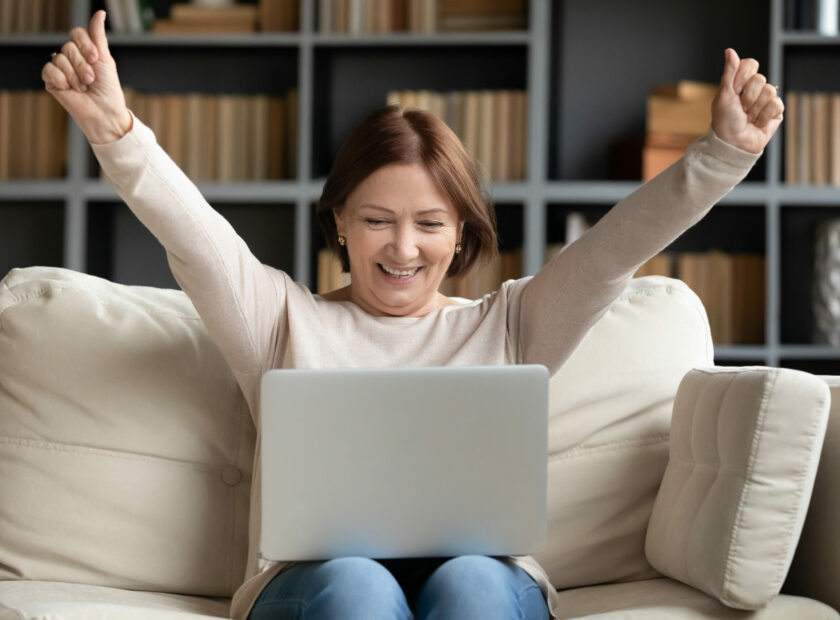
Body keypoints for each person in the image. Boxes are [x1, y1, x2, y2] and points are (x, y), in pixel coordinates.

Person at [42, 10, 783, 620]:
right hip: (319, 591)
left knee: (471, 582)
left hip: (485, 587)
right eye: (377, 220)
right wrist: (118, 132)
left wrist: (721, 154)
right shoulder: (279, 323)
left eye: (430, 222)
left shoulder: (513, 324)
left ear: (461, 231)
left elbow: (614, 250)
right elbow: (195, 240)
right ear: (338, 224)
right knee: (360, 584)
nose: (404, 247)